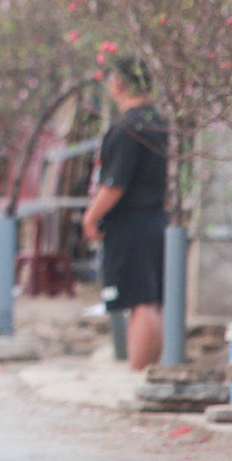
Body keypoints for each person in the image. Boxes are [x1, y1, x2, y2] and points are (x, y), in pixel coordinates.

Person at [81, 55, 169, 371]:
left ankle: (138, 369)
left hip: (131, 222)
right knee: (152, 299)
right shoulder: (158, 121)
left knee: (140, 300)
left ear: (118, 83)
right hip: (155, 218)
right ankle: (149, 366)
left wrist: (90, 217)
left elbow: (115, 183)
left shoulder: (129, 127)